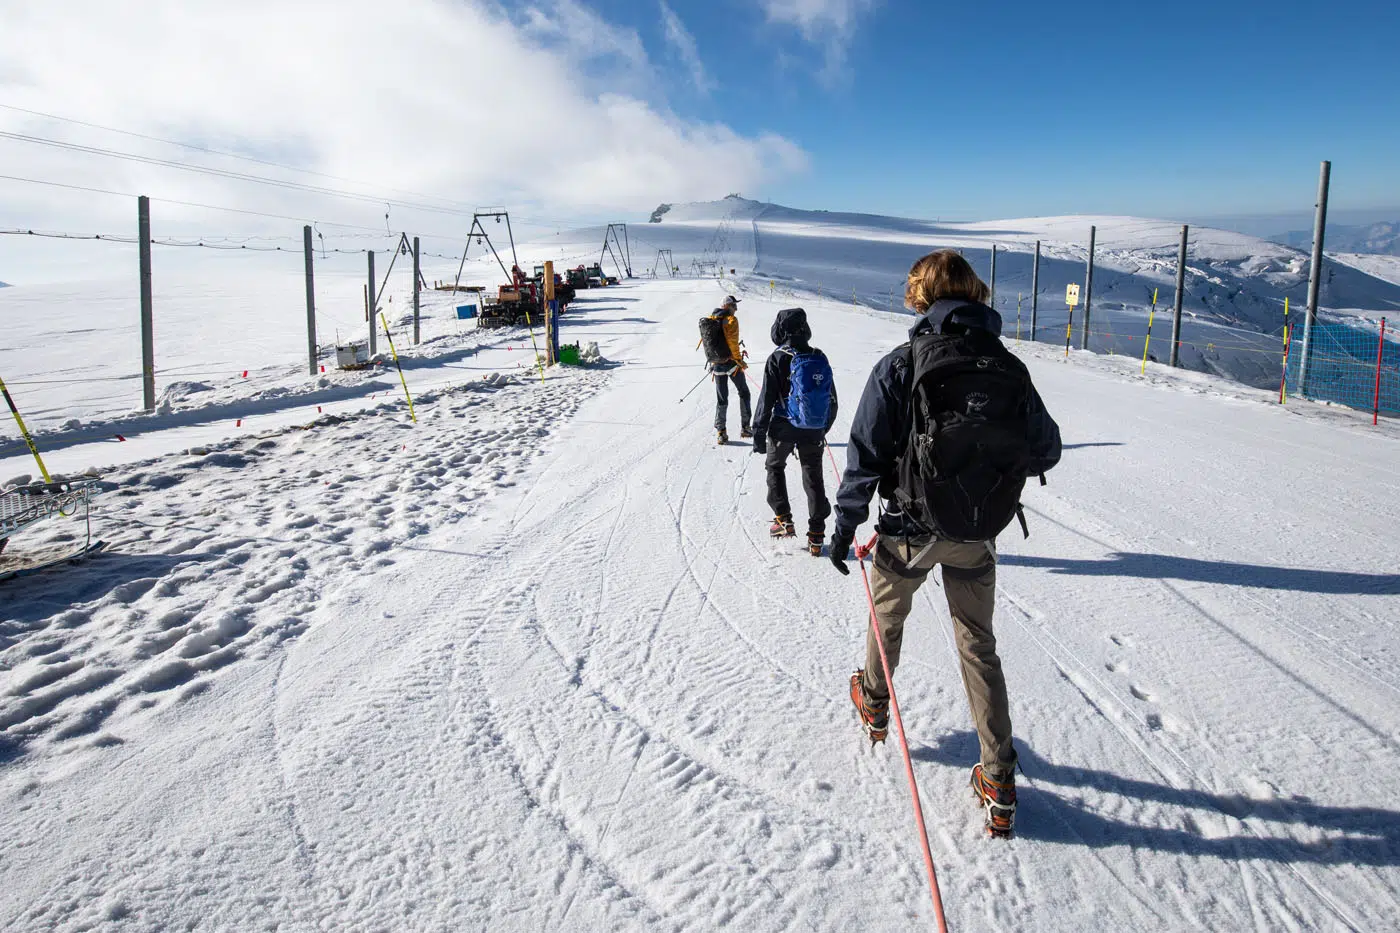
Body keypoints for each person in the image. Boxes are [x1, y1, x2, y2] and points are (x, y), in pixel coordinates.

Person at [827, 250, 1061, 839]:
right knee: (979, 645)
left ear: (921, 296)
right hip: (977, 532)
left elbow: (865, 455)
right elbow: (1047, 449)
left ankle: (875, 703)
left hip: (909, 530)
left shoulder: (902, 364)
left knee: (887, 619)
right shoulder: (1006, 364)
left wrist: (843, 526)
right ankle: (1000, 778)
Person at [751, 307, 838, 555]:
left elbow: (766, 399)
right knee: (813, 475)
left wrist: (758, 432)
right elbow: (831, 399)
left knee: (775, 467)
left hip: (782, 426)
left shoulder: (777, 357)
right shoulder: (818, 356)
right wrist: (821, 428)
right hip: (813, 429)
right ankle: (817, 534)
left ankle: (783, 520)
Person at [704, 296, 751, 444]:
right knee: (744, 392)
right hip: (731, 364)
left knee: (722, 398)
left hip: (716, 364)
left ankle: (721, 432)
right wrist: (739, 361)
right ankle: (745, 427)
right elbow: (732, 344)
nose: (736, 309)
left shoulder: (711, 319)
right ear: (727, 306)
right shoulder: (731, 320)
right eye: (734, 306)